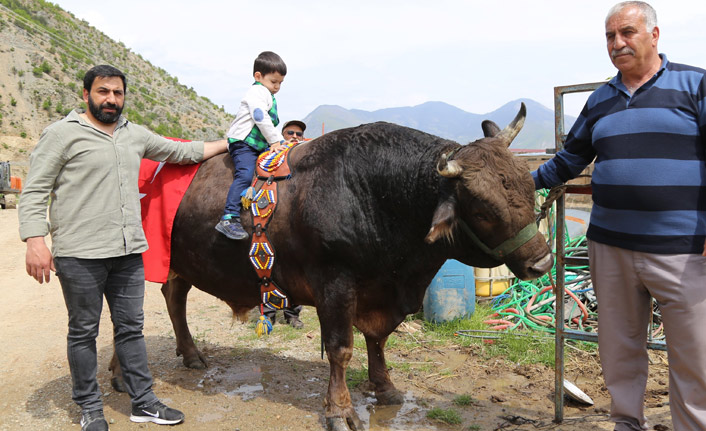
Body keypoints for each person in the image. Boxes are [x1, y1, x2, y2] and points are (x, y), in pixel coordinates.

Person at [18, 64, 228, 431]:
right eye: (103, 92)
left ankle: (143, 402)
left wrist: (232, 142)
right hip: (79, 253)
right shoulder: (62, 134)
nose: (111, 99)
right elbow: (34, 190)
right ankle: (89, 408)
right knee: (83, 331)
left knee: (131, 329)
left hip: (128, 252)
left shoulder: (134, 134)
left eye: (117, 93)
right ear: (87, 95)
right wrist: (35, 240)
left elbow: (183, 151)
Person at [533, 2, 706, 430]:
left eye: (627, 32)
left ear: (654, 35)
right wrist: (512, 183)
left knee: (695, 354)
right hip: (610, 247)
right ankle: (627, 423)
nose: (617, 44)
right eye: (610, 37)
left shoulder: (695, 84)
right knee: (618, 351)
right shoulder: (601, 99)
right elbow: (567, 162)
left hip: (683, 251)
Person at [215, 51, 287, 240]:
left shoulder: (267, 93)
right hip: (244, 143)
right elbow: (259, 116)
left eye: (280, 83)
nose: (277, 86)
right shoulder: (257, 92)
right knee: (246, 173)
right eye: (273, 82)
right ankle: (229, 217)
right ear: (258, 76)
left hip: (257, 144)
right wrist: (276, 141)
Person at [263, 120, 307, 329]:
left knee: (296, 269)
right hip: (271, 217)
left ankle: (292, 314)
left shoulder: (306, 159)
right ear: (281, 134)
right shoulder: (270, 155)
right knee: (269, 266)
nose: (295, 136)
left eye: (299, 133)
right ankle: (268, 312)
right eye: (290, 132)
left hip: (296, 223)